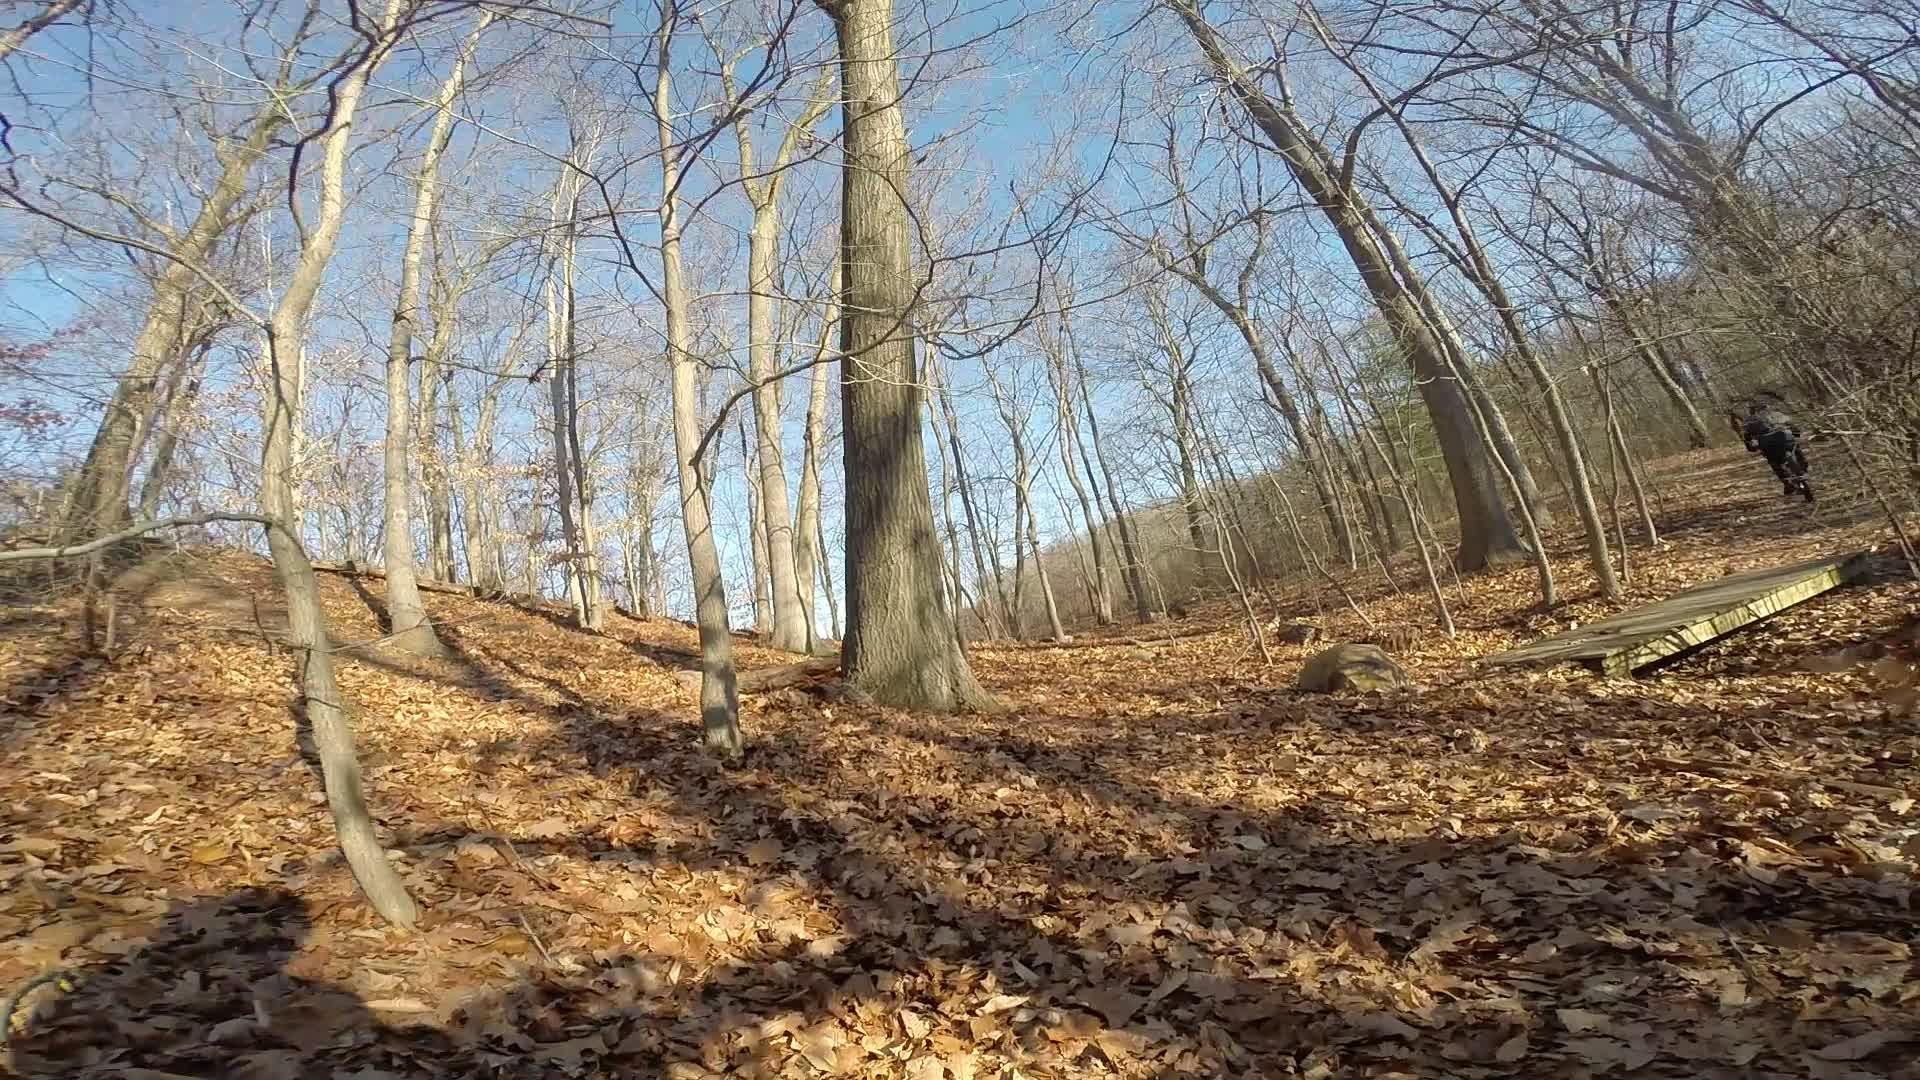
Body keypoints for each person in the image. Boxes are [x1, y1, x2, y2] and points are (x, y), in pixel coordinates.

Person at [1742, 400, 1807, 495]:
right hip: (1783, 440)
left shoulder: (1748, 422)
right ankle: (1802, 470)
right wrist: (1796, 432)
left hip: (1768, 445)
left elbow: (1748, 438)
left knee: (1775, 462)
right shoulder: (1776, 414)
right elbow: (1792, 426)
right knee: (1794, 448)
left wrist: (1751, 446)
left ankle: (1787, 483)